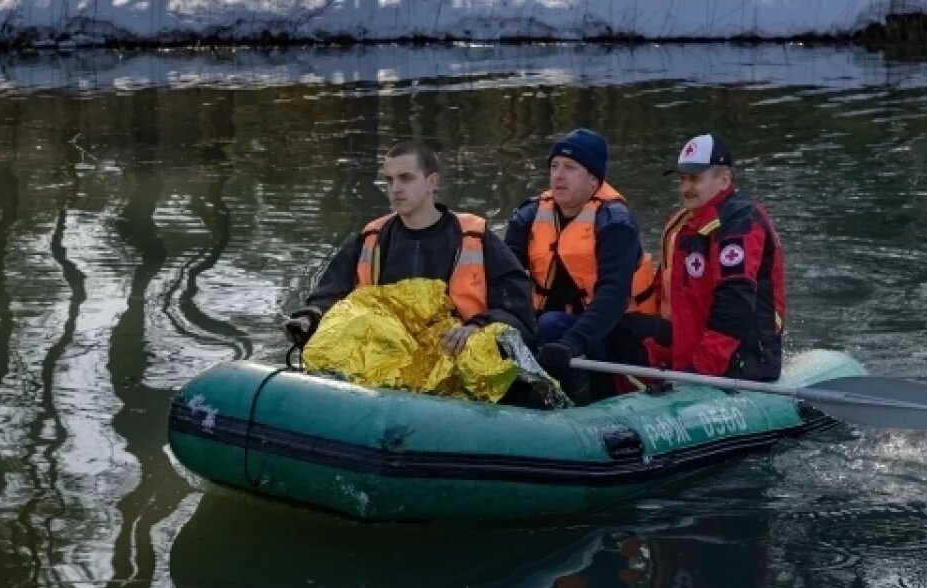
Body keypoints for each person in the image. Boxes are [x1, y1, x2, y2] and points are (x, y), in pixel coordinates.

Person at [281, 141, 537, 355]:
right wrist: (310, 317)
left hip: (456, 352)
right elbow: (331, 292)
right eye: (389, 180)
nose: (395, 189)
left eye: (406, 178)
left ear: (431, 182)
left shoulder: (474, 236)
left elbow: (517, 307)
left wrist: (476, 327)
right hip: (385, 353)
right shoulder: (372, 237)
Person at [609, 133, 786, 381]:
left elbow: (734, 307)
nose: (685, 188)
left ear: (724, 180)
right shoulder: (682, 223)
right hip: (689, 343)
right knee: (619, 329)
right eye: (681, 180)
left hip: (743, 359)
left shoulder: (740, 222)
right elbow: (666, 290)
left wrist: (699, 371)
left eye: (694, 179)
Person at [505, 128, 658, 404]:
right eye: (554, 166)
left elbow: (612, 298)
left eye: (570, 168)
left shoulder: (615, 223)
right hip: (554, 329)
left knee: (550, 325)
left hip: (616, 331)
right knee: (514, 329)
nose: (558, 175)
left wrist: (572, 342)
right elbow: (505, 281)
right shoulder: (528, 217)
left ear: (593, 180)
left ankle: (587, 401)